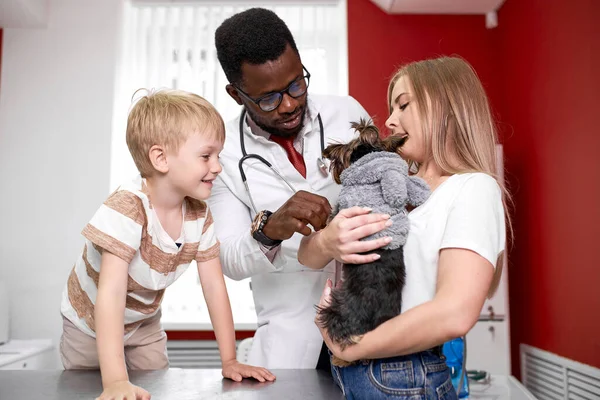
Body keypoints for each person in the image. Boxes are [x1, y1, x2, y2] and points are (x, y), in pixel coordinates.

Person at [298, 56, 510, 399]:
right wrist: (327, 241)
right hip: (353, 373)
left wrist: (353, 347)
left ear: (446, 107)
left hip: (402, 375)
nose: (391, 122)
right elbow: (306, 256)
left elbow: (454, 313)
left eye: (404, 105)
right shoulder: (387, 182)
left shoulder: (473, 188)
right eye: (390, 109)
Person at [59, 89, 275, 400]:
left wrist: (229, 360)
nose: (217, 167)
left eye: (218, 155)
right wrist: (116, 380)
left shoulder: (199, 216)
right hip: (90, 325)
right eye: (206, 156)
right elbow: (111, 293)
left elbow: (214, 286)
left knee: (154, 391)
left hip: (143, 325)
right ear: (160, 158)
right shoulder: (128, 209)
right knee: (94, 393)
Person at [208, 8, 387, 370]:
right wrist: (270, 230)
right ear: (235, 93)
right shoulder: (222, 153)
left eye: (296, 85)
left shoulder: (346, 113)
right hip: (291, 337)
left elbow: (387, 190)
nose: (289, 105)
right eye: (269, 99)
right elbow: (228, 258)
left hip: (370, 317)